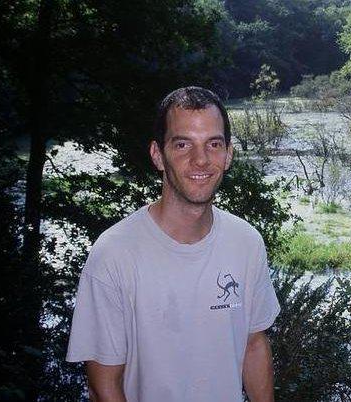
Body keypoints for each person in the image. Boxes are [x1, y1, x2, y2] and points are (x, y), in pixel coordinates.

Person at [66, 87, 280, 402]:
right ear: (158, 155)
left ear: (228, 154)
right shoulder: (114, 253)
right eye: (182, 144)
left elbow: (254, 344)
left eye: (214, 144)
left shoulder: (246, 242)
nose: (201, 160)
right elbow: (104, 385)